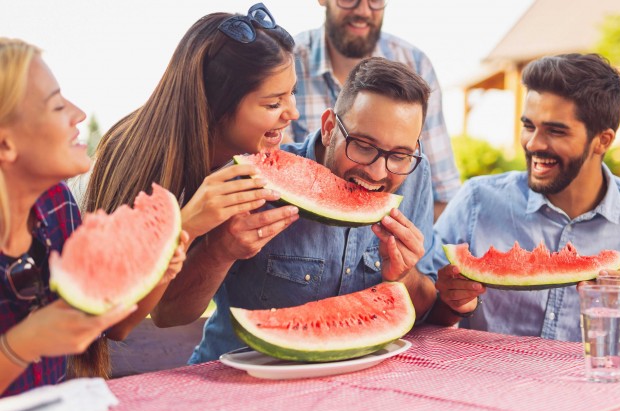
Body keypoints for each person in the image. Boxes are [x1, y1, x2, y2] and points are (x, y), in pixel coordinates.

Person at [153, 57, 439, 363]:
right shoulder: (252, 176)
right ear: (330, 128)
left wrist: (405, 276)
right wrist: (220, 250)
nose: (379, 172)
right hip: (238, 380)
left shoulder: (414, 180)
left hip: (350, 390)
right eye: (363, 146)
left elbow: (423, 307)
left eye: (399, 155)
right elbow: (168, 313)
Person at [429, 53, 620, 355]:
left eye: (555, 131)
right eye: (528, 125)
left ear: (603, 140)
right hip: (486, 387)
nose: (533, 144)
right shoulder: (477, 200)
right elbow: (425, 314)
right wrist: (450, 304)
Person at [86, 4, 300, 351]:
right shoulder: (132, 152)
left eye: (291, 92)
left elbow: (173, 312)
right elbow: (114, 322)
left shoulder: (239, 160)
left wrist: (218, 249)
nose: (293, 112)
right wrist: (185, 225)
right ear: (217, 105)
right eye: (273, 103)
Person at [0, 38, 186, 397]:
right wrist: (24, 342)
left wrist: (157, 269)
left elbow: (102, 323)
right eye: (56, 106)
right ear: (6, 145)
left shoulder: (57, 204)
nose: (79, 114)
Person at [290, 0, 461, 219]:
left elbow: (444, 192)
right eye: (362, 145)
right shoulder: (287, 64)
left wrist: (420, 249)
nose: (363, 11)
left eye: (376, 0)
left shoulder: (416, 63)